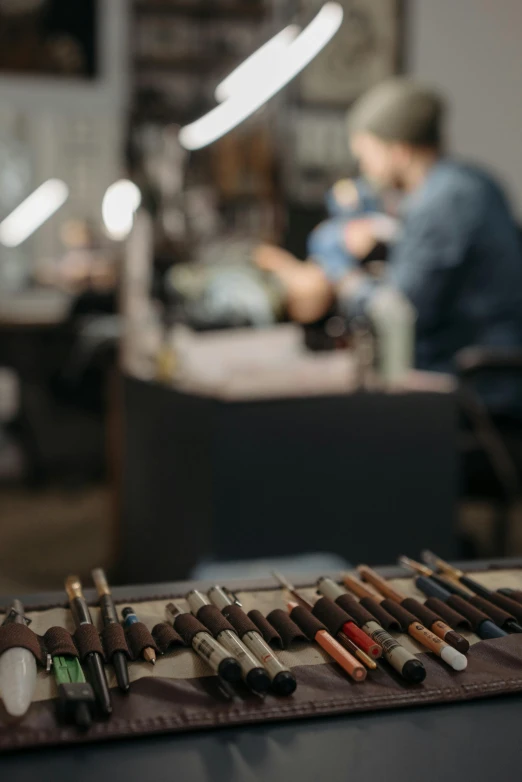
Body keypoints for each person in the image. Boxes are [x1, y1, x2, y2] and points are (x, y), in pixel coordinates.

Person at [256, 78, 522, 414]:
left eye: (367, 154)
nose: (363, 167)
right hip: (471, 371)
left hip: (479, 389)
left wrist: (341, 276)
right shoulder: (466, 184)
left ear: (399, 151)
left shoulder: (444, 202)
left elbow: (397, 313)